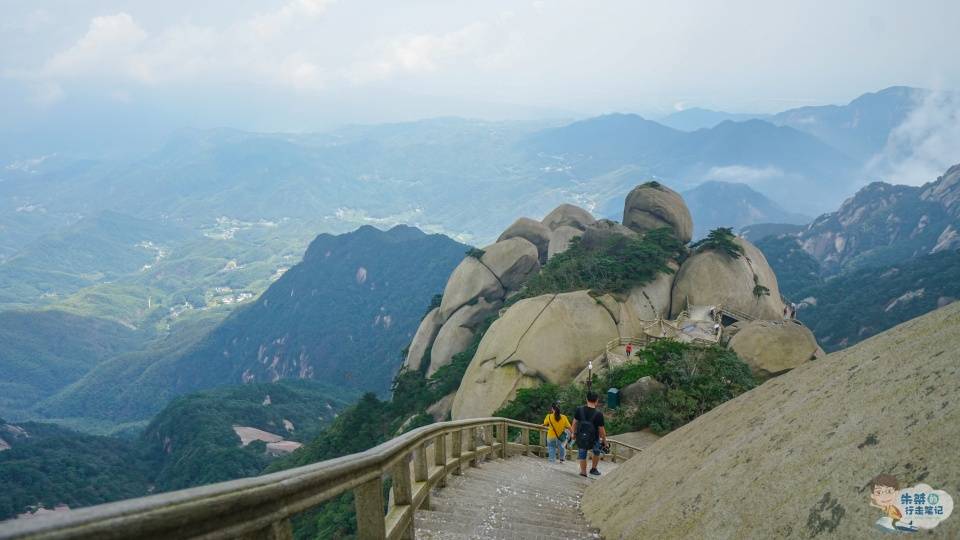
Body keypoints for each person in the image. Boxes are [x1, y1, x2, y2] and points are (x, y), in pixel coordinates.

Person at [571, 391, 607, 477]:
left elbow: (574, 423)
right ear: (597, 401)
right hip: (594, 438)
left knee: (582, 452)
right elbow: (602, 430)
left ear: (586, 399)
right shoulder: (599, 414)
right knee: (596, 451)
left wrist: (573, 434)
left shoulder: (579, 410)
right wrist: (604, 441)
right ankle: (593, 469)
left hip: (581, 436)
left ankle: (583, 472)